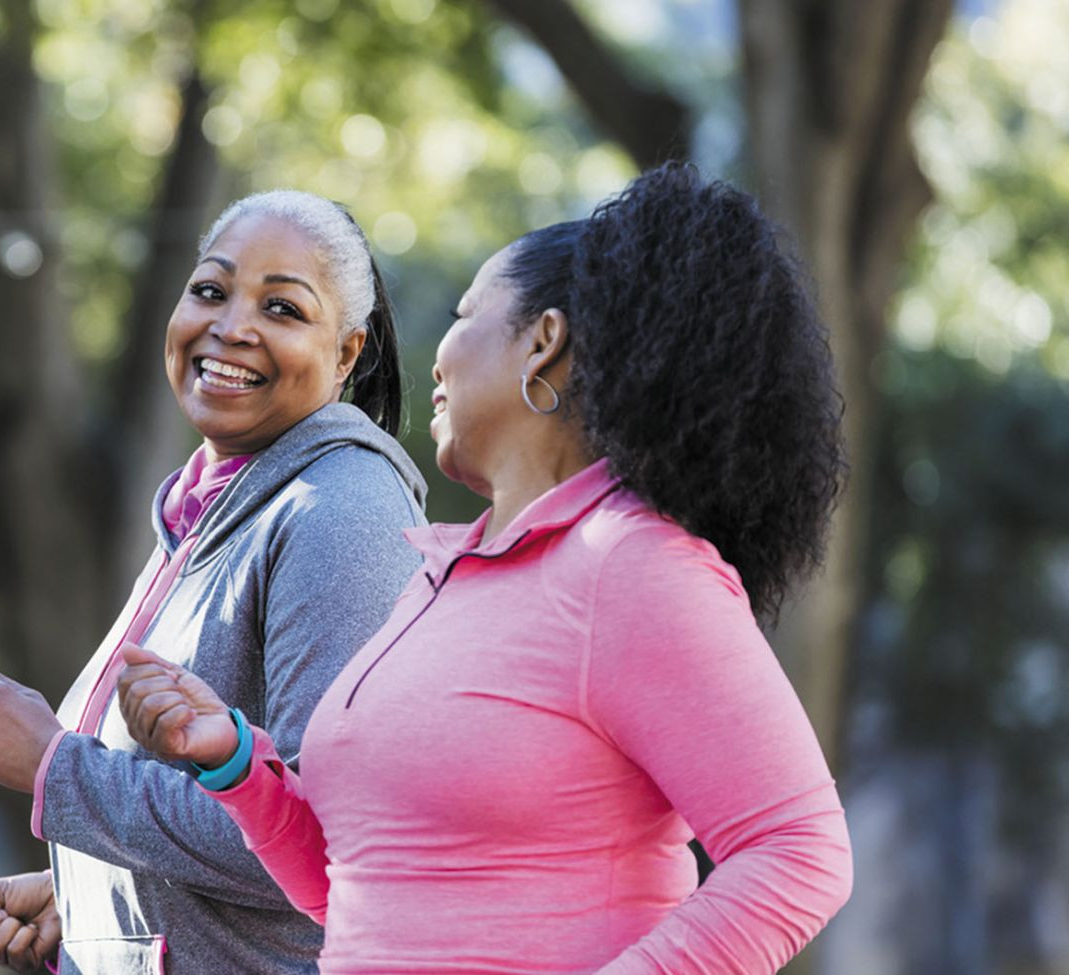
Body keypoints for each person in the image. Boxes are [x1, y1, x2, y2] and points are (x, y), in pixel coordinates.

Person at [118, 163, 855, 974]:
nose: (435, 359)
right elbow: (361, 886)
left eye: (466, 315)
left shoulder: (632, 564)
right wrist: (232, 759)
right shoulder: (443, 575)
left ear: (542, 342)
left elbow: (798, 849)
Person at [0, 190, 429, 974]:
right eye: (211, 289)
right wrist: (90, 894)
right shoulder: (209, 505)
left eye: (282, 308)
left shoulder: (339, 509)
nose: (232, 326)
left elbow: (320, 837)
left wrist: (56, 766)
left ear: (345, 353)